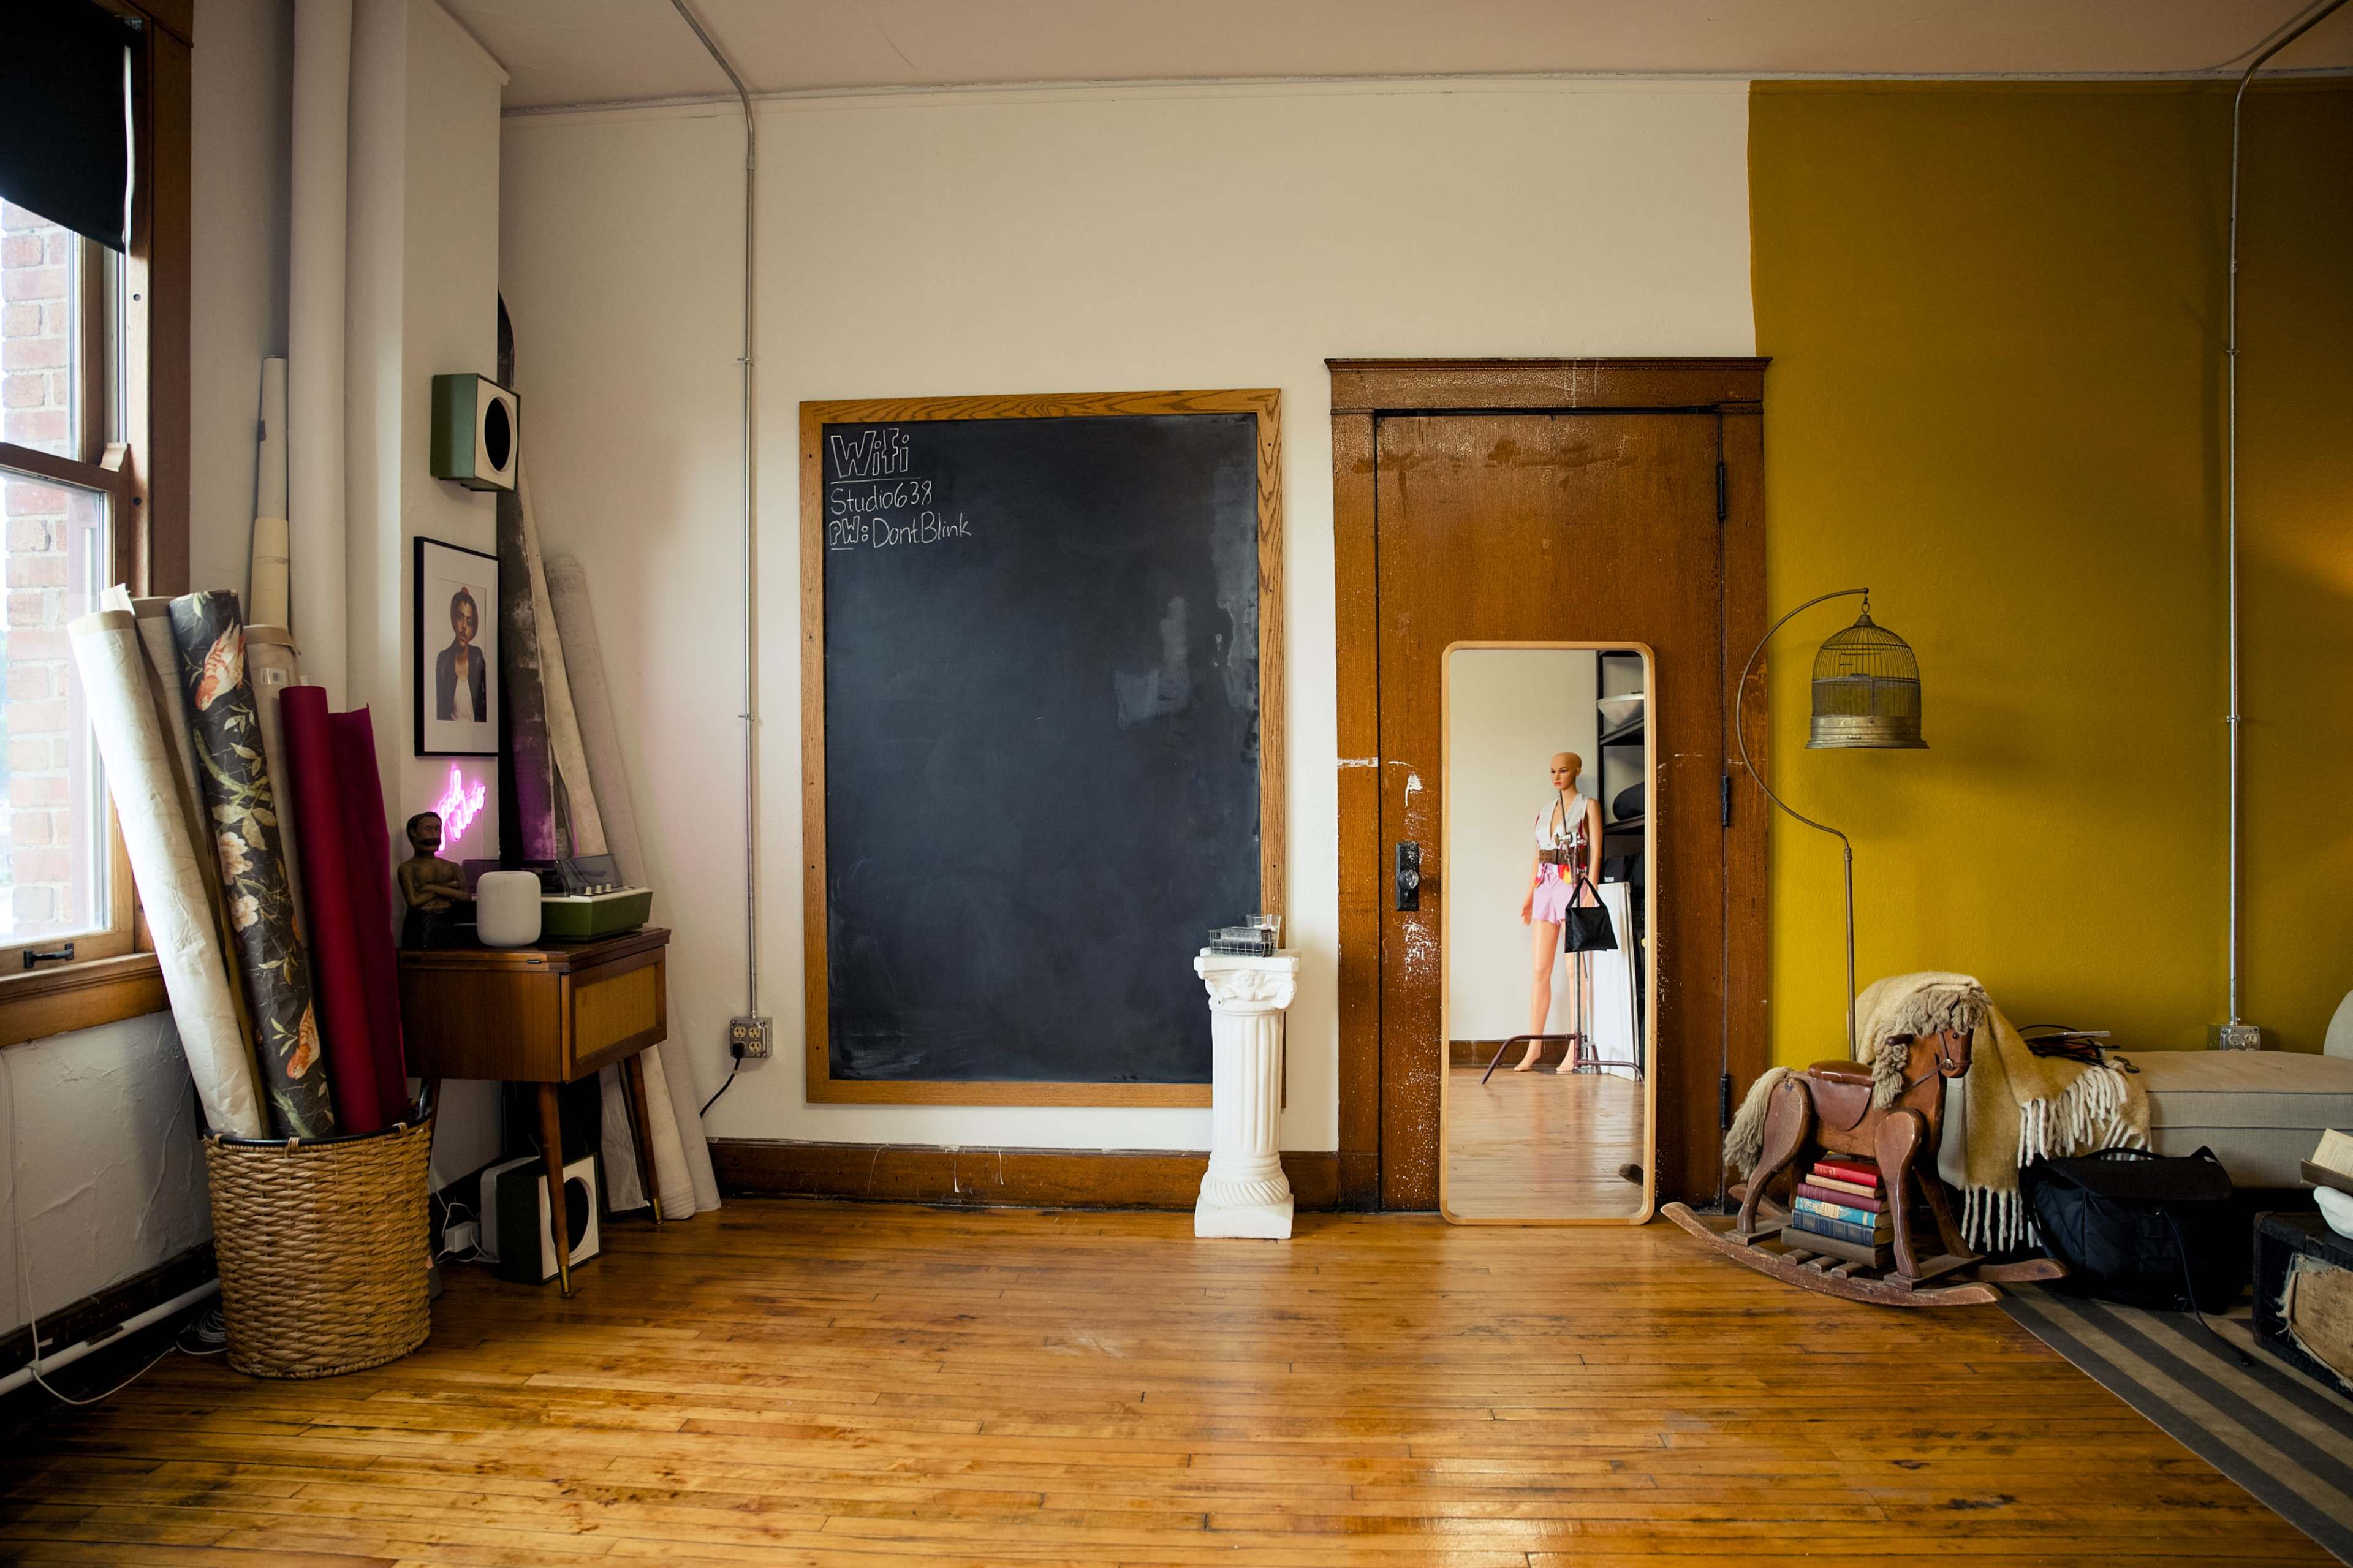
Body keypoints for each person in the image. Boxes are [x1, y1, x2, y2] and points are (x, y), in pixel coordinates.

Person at [1515, 751, 1604, 1072]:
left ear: (1577, 771)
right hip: (1545, 886)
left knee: (1573, 970)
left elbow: (1594, 851)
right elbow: (1538, 855)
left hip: (1573, 882)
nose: (1557, 777)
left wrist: (1590, 890)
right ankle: (1534, 1046)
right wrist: (1529, 895)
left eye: (1563, 770)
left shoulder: (1587, 806)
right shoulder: (1545, 810)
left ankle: (1574, 1045)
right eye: (1553, 771)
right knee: (1540, 970)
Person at [435, 586, 487, 722]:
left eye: (469, 622)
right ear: (453, 620)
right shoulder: (443, 660)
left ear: (473, 627)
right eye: (460, 617)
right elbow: (440, 712)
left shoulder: (478, 657)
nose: (464, 626)